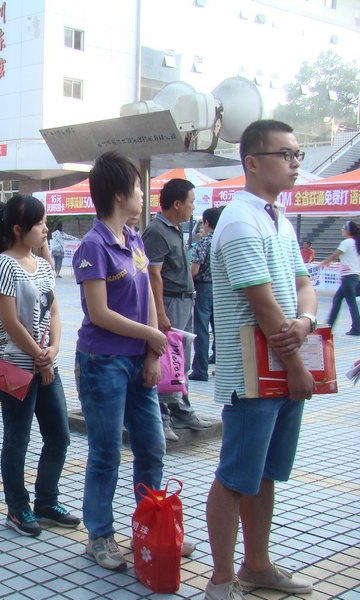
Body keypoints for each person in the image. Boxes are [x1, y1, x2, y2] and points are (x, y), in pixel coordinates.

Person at [204, 120, 316, 600]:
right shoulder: (239, 220)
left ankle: (257, 565)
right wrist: (297, 367)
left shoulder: (278, 220)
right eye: (285, 154)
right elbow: (261, 301)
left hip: (281, 366)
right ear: (252, 161)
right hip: (252, 375)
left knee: (264, 473)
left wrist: (306, 323)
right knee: (235, 476)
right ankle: (221, 578)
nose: (294, 163)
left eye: (297, 155)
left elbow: (302, 285)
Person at [73, 152, 195, 571]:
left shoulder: (135, 239)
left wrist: (151, 352)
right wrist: (152, 336)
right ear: (120, 193)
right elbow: (100, 313)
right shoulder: (93, 245)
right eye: (139, 187)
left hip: (137, 360)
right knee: (106, 452)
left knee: (152, 445)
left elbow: (144, 300)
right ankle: (99, 536)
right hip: (101, 362)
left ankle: (151, 525)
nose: (144, 194)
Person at [0, 194, 80, 537]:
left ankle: (46, 501)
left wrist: (53, 349)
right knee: (18, 439)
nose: (45, 229)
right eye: (40, 223)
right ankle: (17, 507)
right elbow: (9, 322)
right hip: (14, 365)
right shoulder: (2, 264)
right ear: (18, 228)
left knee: (59, 435)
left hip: (45, 366)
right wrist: (39, 356)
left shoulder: (43, 265)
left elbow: (53, 312)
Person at [142, 179, 212, 441]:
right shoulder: (156, 232)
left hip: (185, 301)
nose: (193, 208)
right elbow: (153, 275)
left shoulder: (174, 229)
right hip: (169, 302)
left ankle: (181, 409)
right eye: (191, 202)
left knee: (180, 361)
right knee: (165, 361)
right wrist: (160, 313)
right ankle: (161, 417)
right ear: (177, 204)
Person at [189, 207, 220, 381]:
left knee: (201, 329)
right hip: (222, 289)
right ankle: (222, 366)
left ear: (207, 223)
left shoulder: (204, 242)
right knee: (220, 330)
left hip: (204, 288)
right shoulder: (224, 240)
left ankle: (200, 369)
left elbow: (194, 270)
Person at [320, 221, 360, 336]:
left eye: (343, 228)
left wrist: (325, 262)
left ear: (348, 230)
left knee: (350, 302)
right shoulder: (356, 243)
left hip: (348, 277)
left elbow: (335, 254)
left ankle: (356, 328)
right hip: (354, 276)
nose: (342, 230)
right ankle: (330, 324)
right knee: (338, 299)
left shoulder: (347, 242)